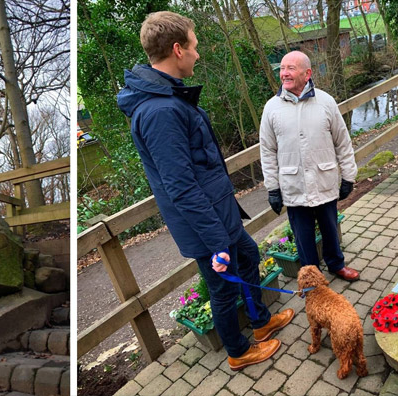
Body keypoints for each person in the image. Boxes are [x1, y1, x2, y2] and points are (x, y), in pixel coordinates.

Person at [116, 11, 293, 370]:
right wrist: (215, 242)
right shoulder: (160, 111)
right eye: (195, 47)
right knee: (222, 289)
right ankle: (238, 351)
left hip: (220, 217)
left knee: (248, 257)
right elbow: (180, 187)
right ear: (178, 49)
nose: (199, 54)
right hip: (206, 227)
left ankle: (260, 323)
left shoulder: (170, 98)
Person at [259, 50, 361, 282]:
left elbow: (342, 142)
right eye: (282, 69)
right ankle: (312, 280)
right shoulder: (271, 108)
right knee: (303, 237)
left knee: (330, 228)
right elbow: (267, 151)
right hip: (293, 185)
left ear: (307, 73)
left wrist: (348, 176)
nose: (284, 73)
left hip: (323, 179)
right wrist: (273, 188)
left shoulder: (325, 102)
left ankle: (336, 265)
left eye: (290, 69)